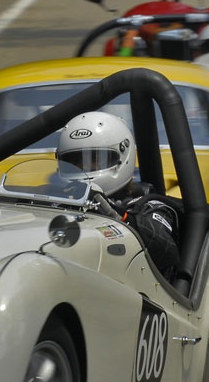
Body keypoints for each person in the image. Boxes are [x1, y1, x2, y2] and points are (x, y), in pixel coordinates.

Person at [56, 111, 180, 278]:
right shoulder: (58, 203)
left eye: (94, 160)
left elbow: (166, 251)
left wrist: (115, 214)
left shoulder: (150, 206)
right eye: (74, 163)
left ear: (123, 157)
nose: (83, 171)